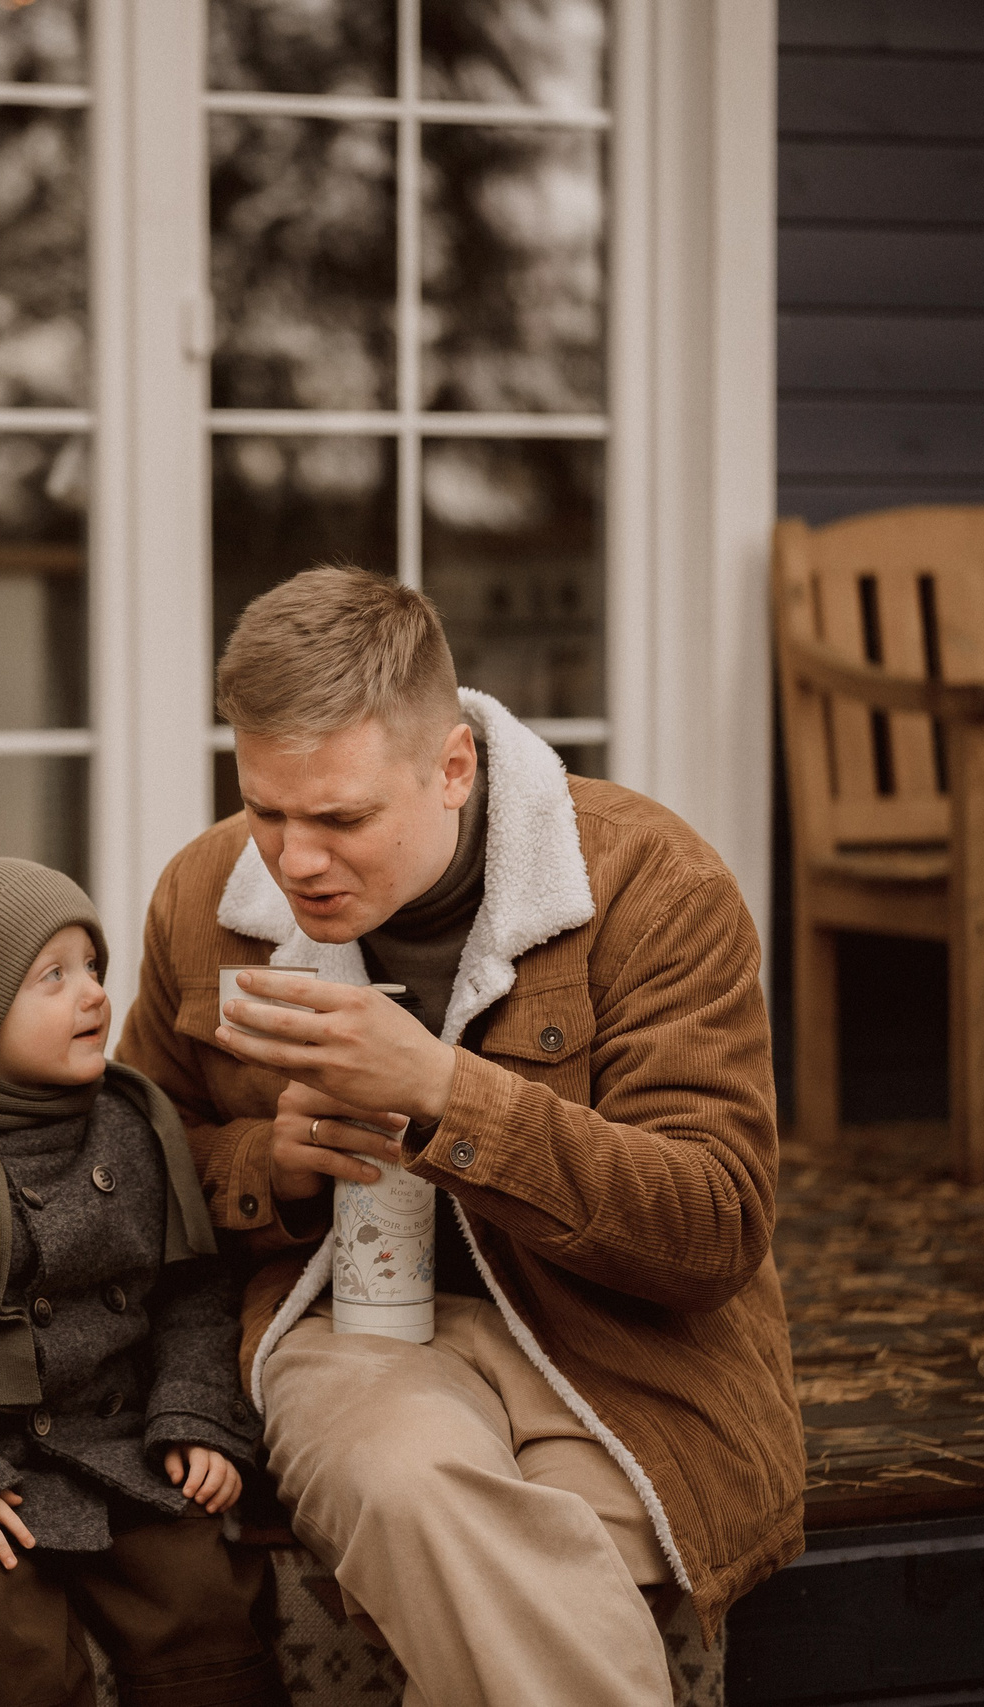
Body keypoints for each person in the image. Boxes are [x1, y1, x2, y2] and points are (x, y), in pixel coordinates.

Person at [116, 567, 803, 1706]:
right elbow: (125, 1162)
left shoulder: (650, 882)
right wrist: (264, 1168)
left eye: (340, 818)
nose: (292, 861)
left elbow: (713, 1225)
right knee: (410, 1485)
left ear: (452, 769)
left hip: (613, 1351)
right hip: (344, 1327)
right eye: (265, 809)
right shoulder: (204, 896)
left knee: (519, 1558)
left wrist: (444, 1092)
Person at [0, 847, 285, 1707]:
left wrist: (192, 1417)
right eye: (52, 975)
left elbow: (190, 1289)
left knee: (201, 1596)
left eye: (92, 965)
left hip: (117, 1445)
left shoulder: (131, 1120)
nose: (92, 992)